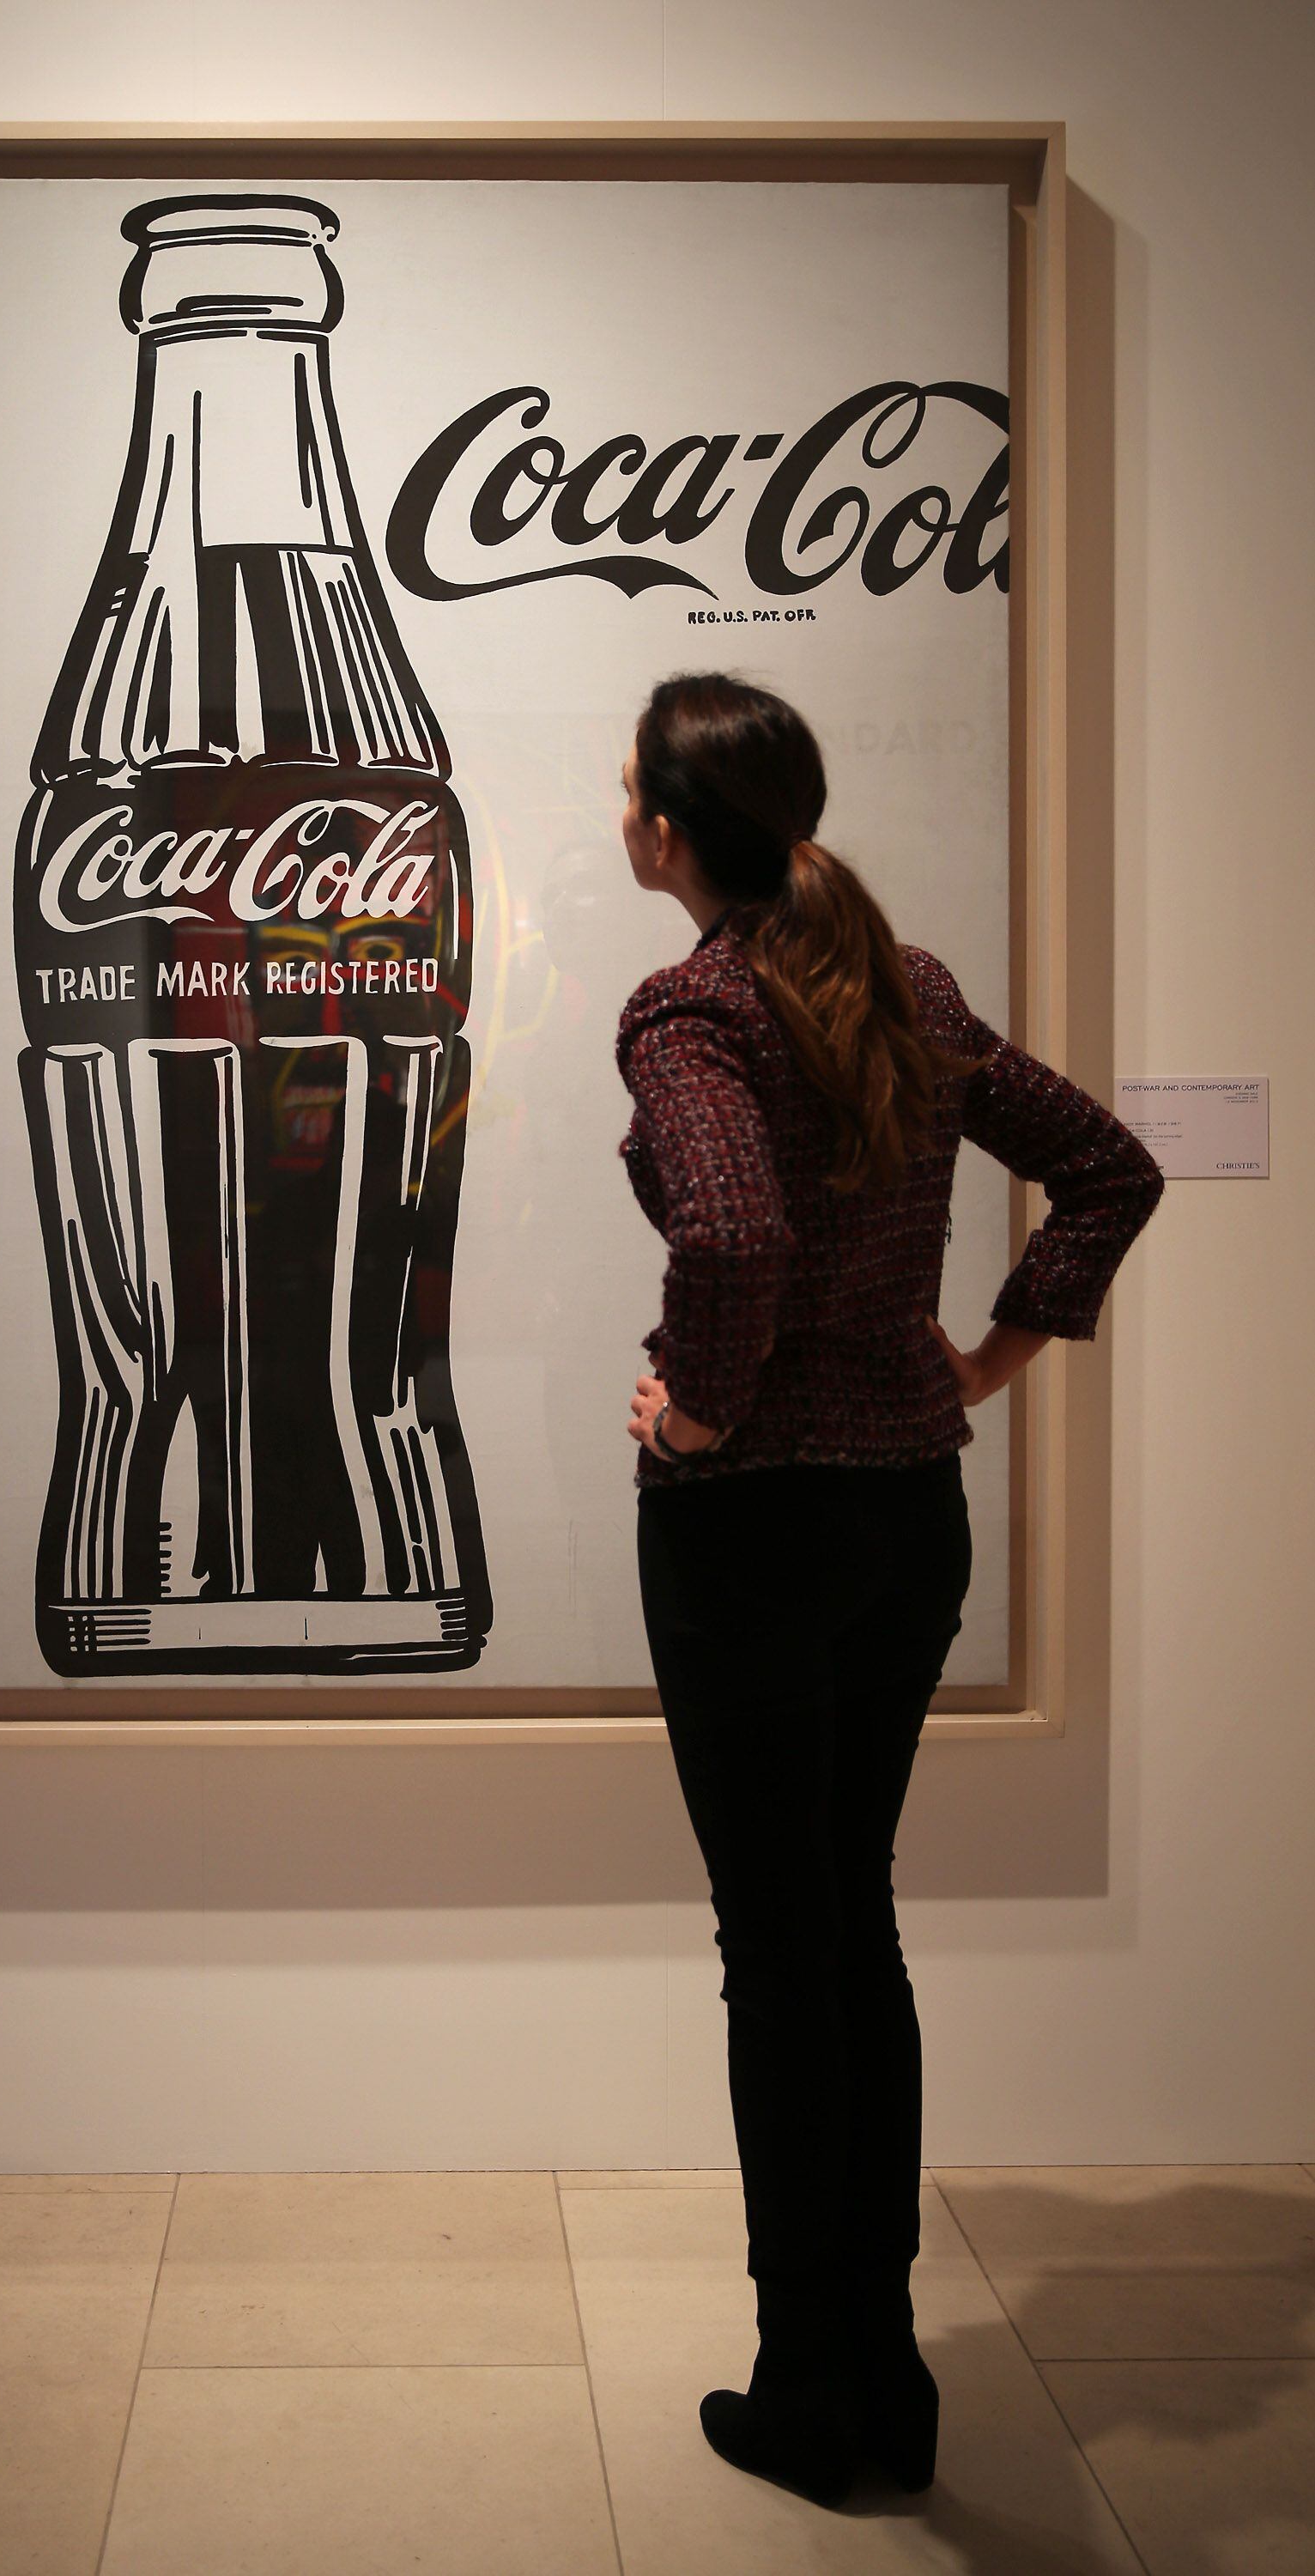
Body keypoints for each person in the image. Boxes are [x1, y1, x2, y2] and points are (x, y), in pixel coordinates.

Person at [615, 671, 1164, 2510]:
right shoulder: (901, 982)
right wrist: (981, 1368)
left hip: (752, 1534)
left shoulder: (693, 1008)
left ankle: (811, 2394)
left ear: (668, 832)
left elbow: (731, 1231)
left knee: (782, 1954)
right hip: (905, 1521)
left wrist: (699, 1414)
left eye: (629, 796)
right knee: (851, 1925)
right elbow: (1106, 1168)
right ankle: (885, 2377)